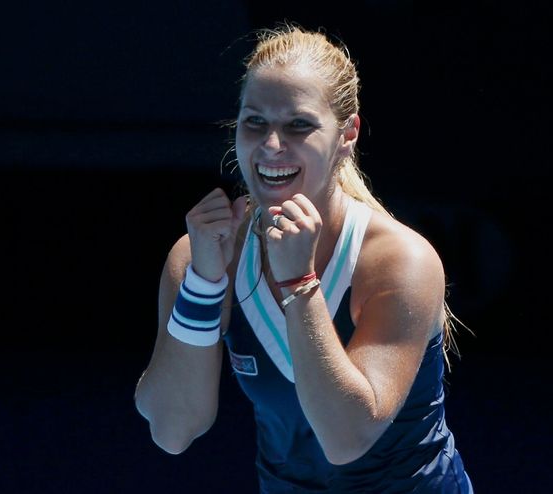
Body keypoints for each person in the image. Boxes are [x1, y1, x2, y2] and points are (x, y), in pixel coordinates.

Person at [134, 22, 474, 493]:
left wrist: (299, 284)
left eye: (299, 124)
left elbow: (346, 438)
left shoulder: (401, 260)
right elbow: (172, 430)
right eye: (255, 122)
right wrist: (203, 284)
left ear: (347, 134)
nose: (272, 146)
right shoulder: (205, 257)